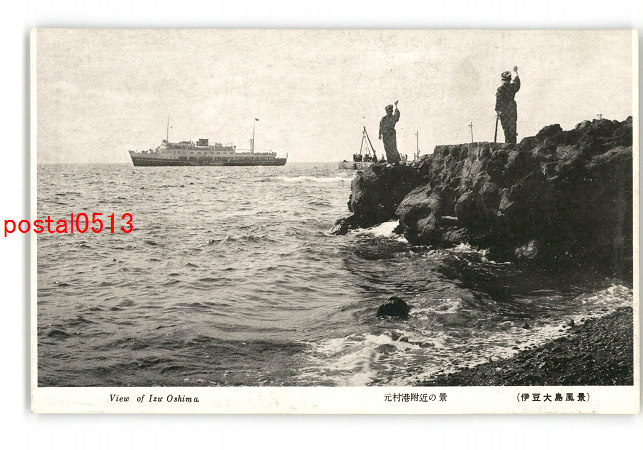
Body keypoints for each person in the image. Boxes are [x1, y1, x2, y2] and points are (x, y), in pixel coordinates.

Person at [495, 66, 521, 144]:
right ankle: (513, 145)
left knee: (506, 130)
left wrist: (498, 111)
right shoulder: (512, 87)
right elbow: (517, 83)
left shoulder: (500, 89)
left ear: (502, 80)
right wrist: (515, 72)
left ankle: (508, 145)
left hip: (504, 112)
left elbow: (498, 102)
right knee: (512, 130)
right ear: (509, 80)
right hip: (512, 110)